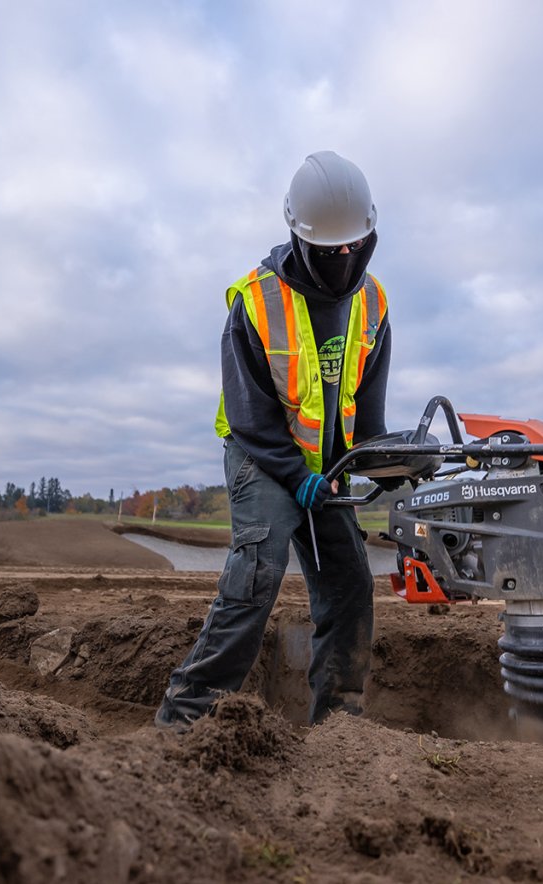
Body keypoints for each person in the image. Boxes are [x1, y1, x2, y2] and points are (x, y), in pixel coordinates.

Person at [155, 151, 392, 731]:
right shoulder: (254, 302)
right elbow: (250, 416)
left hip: (324, 467)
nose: (344, 259)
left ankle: (339, 723)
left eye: (353, 248)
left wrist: (392, 467)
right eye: (331, 250)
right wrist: (296, 475)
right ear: (298, 237)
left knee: (350, 580)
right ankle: (186, 720)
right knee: (259, 568)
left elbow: (366, 417)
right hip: (261, 457)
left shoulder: (374, 303)